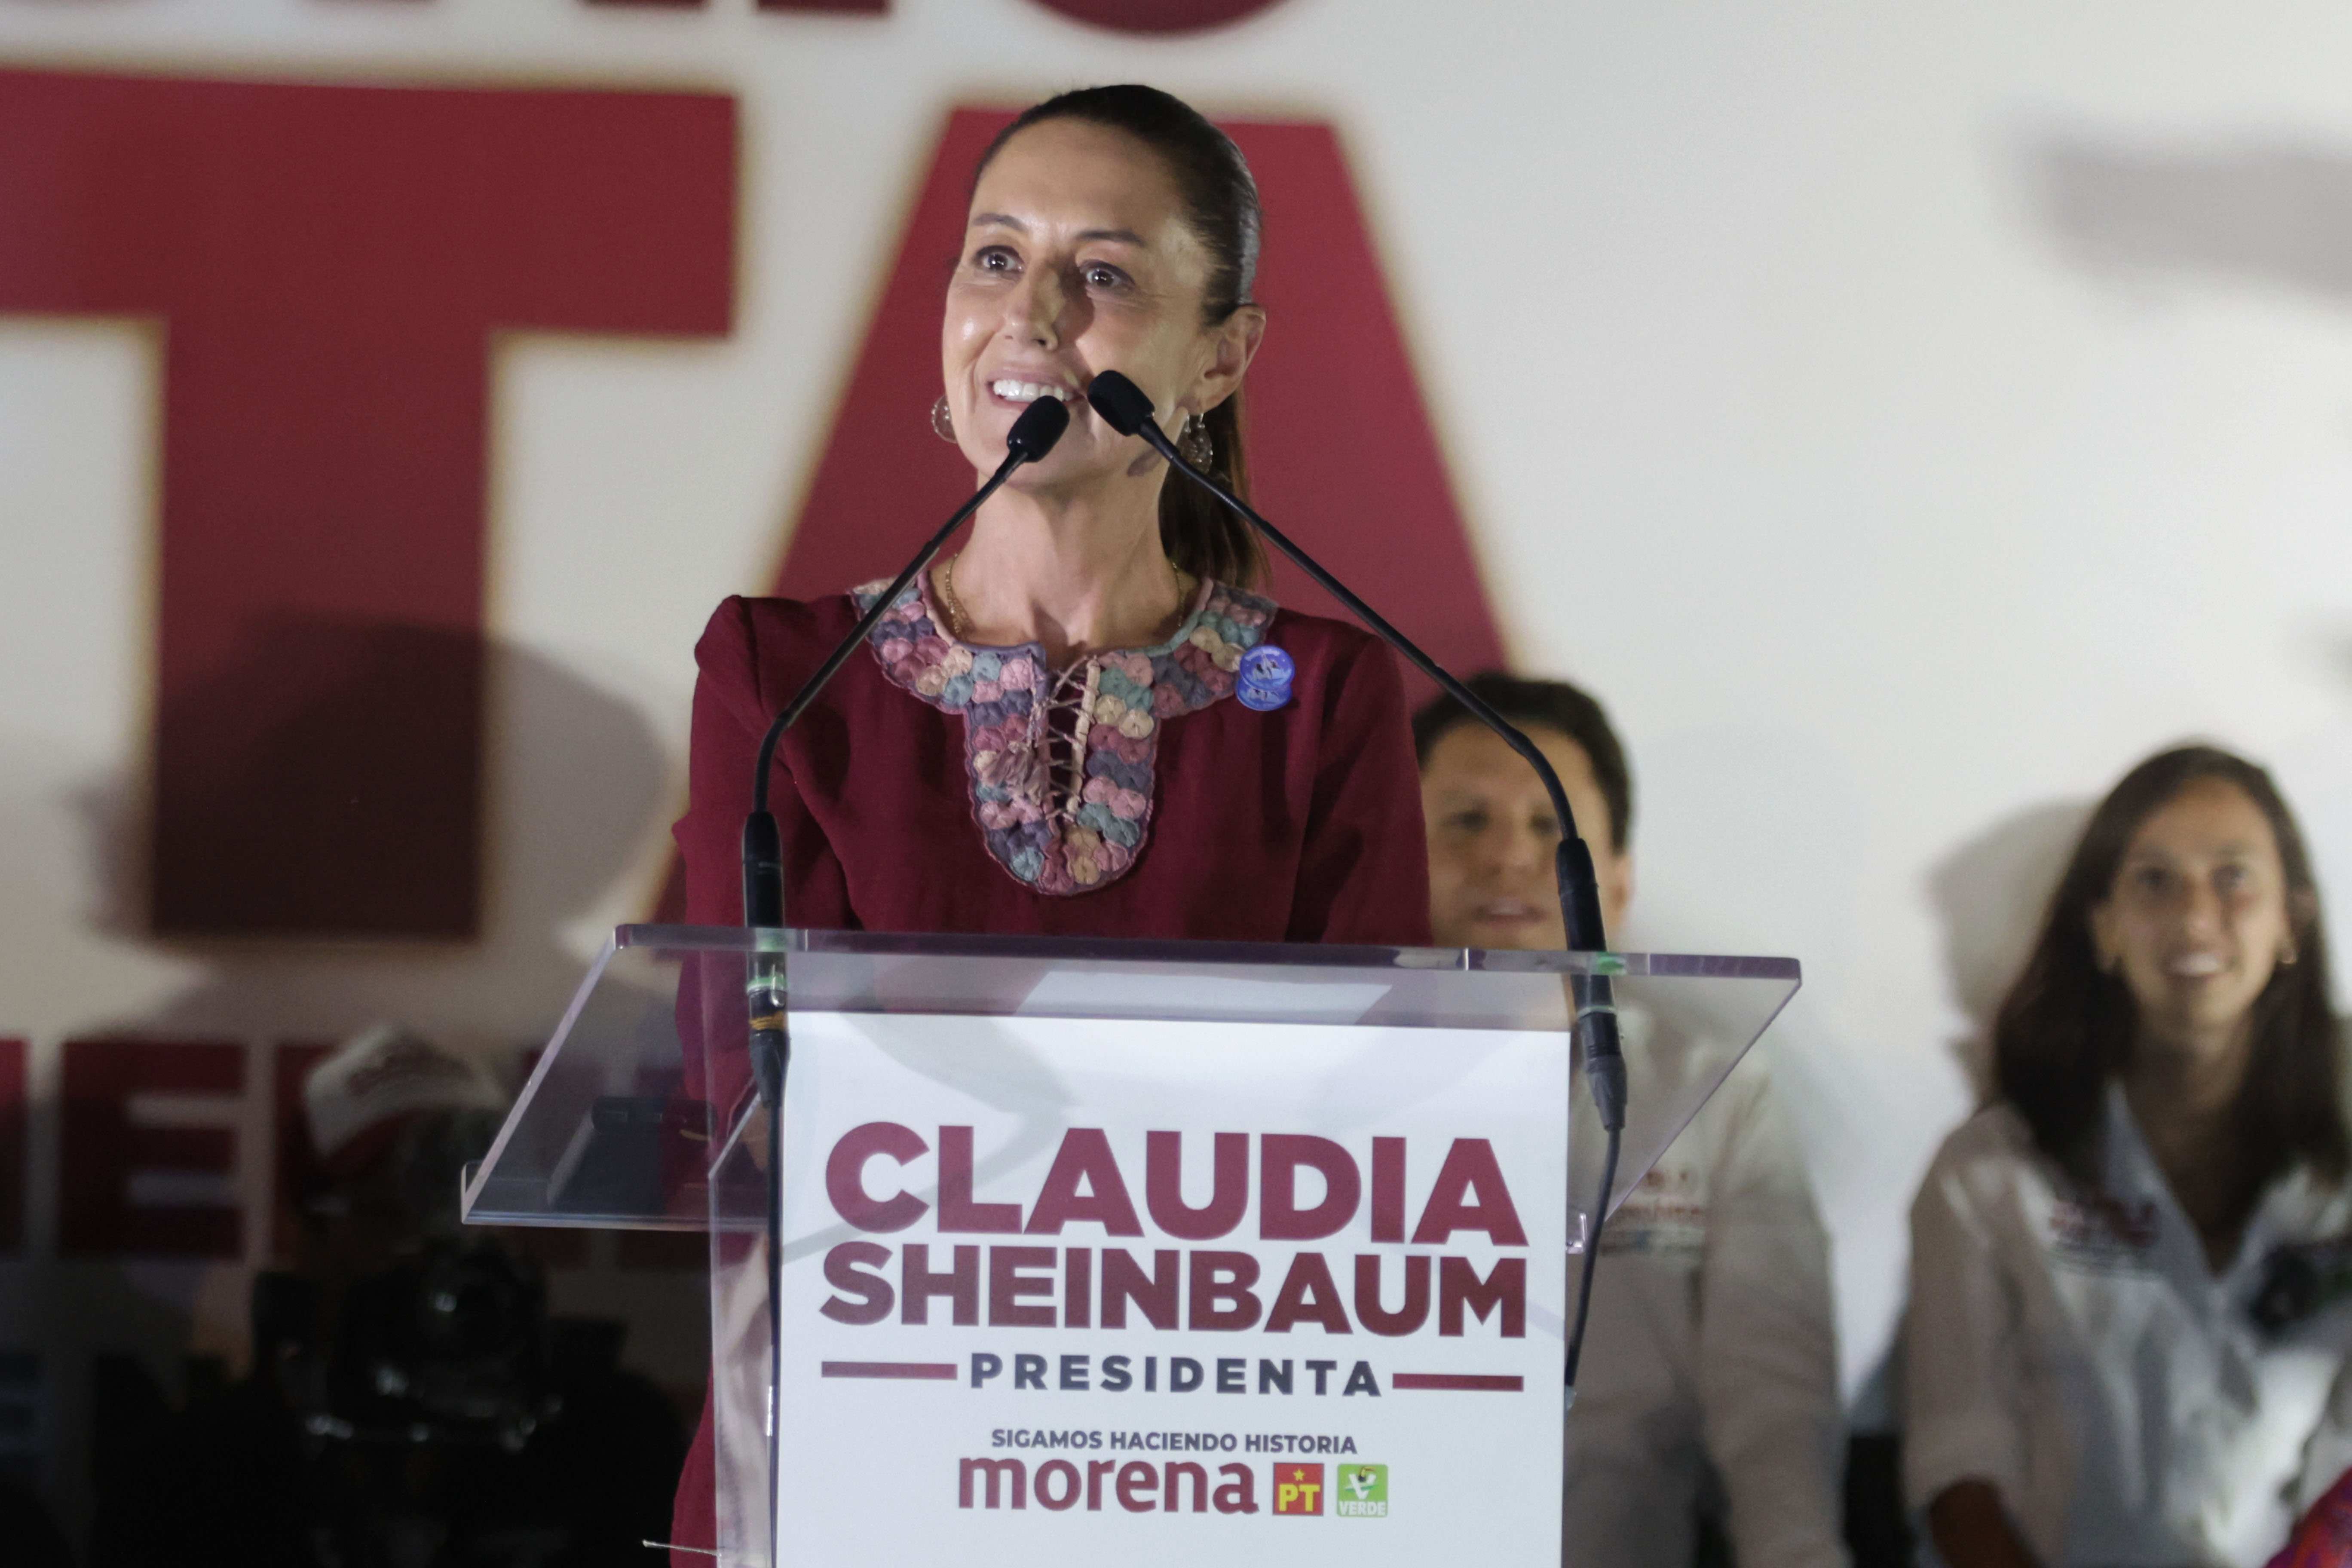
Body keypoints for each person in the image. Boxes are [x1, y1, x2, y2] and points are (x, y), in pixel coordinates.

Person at [667, 84, 1432, 1558]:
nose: (1029, 316)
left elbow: (1365, 1142)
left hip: (1192, 1451)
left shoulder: (1323, 697)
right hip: (845, 1433)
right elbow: (755, 1093)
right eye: (993, 257)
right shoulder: (783, 675)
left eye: (1103, 274)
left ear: (1220, 354)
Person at [1414, 672, 1850, 1568]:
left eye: (1552, 828)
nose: (1509, 857)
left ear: (1618, 879)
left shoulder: (1719, 1095)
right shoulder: (1308, 1092)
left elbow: (1773, 1414)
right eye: (1466, 821)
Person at [1907, 745, 2352, 1568]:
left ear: (2292, 920)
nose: (2194, 915)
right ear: (2102, 927)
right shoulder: (1990, 1173)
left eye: (2234, 876)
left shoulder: (2339, 1184)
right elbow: (1957, 1471)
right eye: (2154, 880)